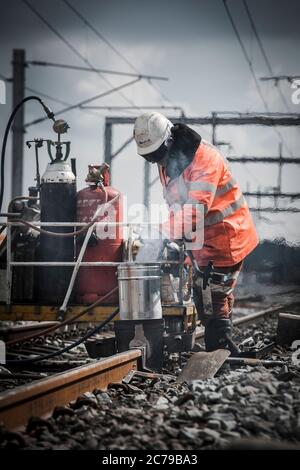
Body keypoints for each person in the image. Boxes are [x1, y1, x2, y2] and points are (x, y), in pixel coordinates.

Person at [133, 112, 259, 355]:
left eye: (157, 155)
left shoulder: (205, 159)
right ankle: (221, 348)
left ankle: (220, 349)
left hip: (227, 236)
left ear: (169, 141)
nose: (156, 161)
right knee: (205, 295)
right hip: (201, 243)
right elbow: (177, 207)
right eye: (149, 158)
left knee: (214, 294)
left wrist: (161, 236)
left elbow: (195, 209)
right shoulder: (169, 163)